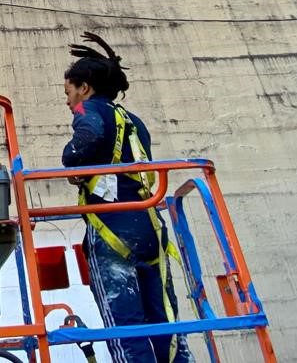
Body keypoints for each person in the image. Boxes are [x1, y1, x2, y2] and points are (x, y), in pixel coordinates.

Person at [62, 32, 193, 363]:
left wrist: (71, 158)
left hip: (113, 232)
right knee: (165, 323)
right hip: (150, 228)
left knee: (124, 329)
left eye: (68, 93)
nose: (68, 102)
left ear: (84, 88)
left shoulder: (88, 109)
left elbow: (89, 135)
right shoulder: (134, 122)